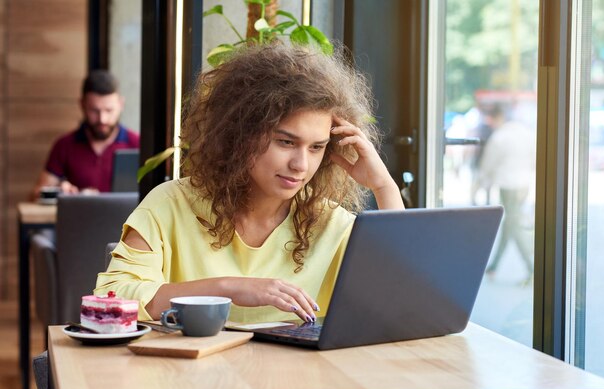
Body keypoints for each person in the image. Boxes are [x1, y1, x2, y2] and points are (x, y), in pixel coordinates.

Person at [95, 43, 404, 324]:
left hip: (299, 382)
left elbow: (396, 298)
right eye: (285, 142)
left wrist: (383, 187)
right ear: (240, 134)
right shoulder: (170, 205)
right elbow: (113, 299)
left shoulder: (330, 224)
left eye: (316, 147)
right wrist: (229, 288)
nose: (301, 165)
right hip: (187, 379)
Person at [31, 69, 139, 200]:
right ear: (82, 105)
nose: (102, 119)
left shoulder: (138, 144)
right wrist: (60, 191)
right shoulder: (64, 145)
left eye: (109, 110)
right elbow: (36, 195)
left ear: (121, 105)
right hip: (78, 219)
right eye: (94, 111)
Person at [478, 104, 535, 285]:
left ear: (497, 118)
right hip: (524, 184)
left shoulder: (500, 137)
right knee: (510, 224)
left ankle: (533, 269)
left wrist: (481, 183)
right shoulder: (526, 133)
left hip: (508, 185)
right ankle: (494, 265)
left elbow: (488, 164)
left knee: (514, 226)